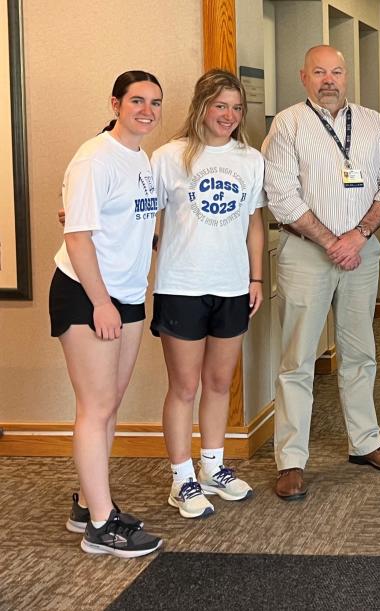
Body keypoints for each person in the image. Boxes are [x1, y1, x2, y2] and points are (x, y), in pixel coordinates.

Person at [262, 44, 380, 500]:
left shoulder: (371, 122)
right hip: (307, 253)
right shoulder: (287, 124)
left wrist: (359, 235)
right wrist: (332, 241)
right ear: (303, 76)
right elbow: (280, 195)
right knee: (298, 360)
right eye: (320, 72)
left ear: (347, 77)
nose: (330, 80)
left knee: (360, 350)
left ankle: (365, 442)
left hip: (362, 253)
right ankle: (291, 459)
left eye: (337, 72)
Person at [52, 71, 164, 557]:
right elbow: (77, 237)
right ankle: (101, 525)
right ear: (115, 103)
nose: (147, 110)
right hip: (87, 294)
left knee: (108, 405)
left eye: (155, 102)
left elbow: (133, 226)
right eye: (137, 100)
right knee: (94, 409)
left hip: (128, 294)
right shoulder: (93, 158)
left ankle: (87, 502)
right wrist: (101, 303)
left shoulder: (140, 158)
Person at [150, 70, 264, 518]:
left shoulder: (250, 159)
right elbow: (144, 216)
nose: (229, 116)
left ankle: (213, 467)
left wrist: (256, 279)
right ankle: (182, 479)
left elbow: (254, 223)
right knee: (184, 386)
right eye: (221, 106)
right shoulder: (168, 157)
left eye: (237, 108)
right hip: (181, 285)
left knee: (219, 383)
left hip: (233, 284)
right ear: (202, 107)